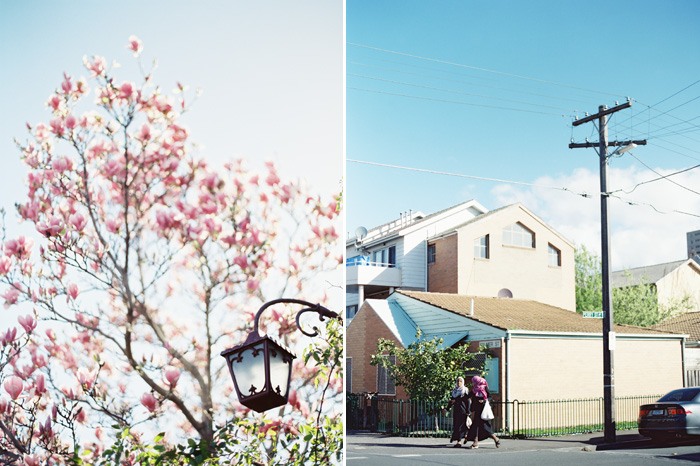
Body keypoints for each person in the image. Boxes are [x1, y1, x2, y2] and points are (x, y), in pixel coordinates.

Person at [465, 375, 500, 449]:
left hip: (483, 410)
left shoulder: (484, 387)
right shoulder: (474, 389)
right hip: (477, 410)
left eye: (475, 382)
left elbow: (490, 397)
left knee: (485, 426)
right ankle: (475, 442)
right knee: (475, 426)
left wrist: (484, 401)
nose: (474, 383)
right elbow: (468, 396)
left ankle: (495, 439)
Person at [443, 376, 471, 447]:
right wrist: (447, 409)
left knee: (461, 426)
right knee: (456, 425)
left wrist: (468, 411)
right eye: (458, 381)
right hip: (456, 410)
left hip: (463, 410)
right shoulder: (454, 391)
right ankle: (463, 438)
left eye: (460, 381)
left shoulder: (465, 390)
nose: (459, 383)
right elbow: (451, 401)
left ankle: (459, 441)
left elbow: (467, 401)